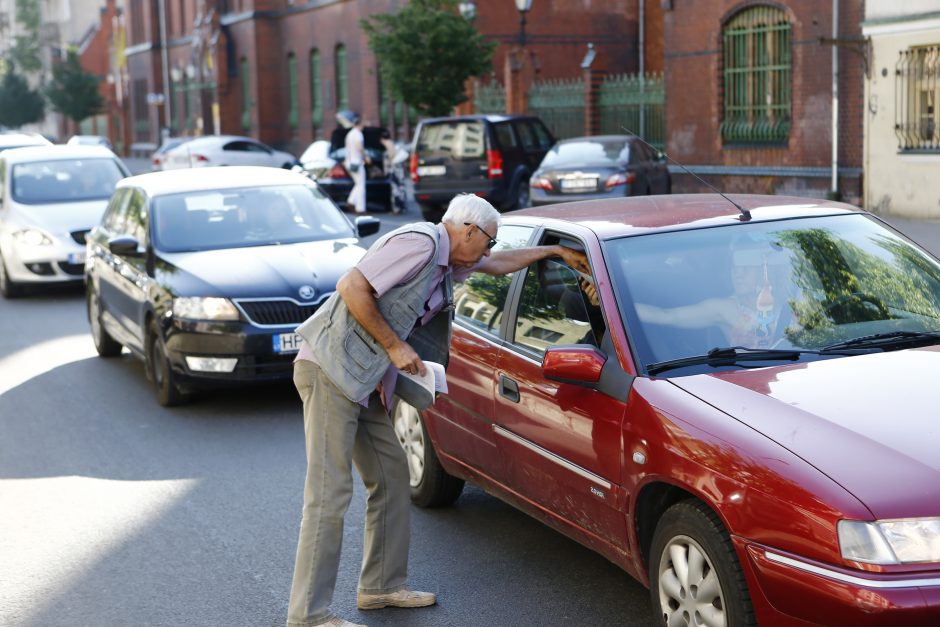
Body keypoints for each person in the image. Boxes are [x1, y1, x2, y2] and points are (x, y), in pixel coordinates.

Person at [286, 193, 589, 627]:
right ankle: (307, 616)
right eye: (487, 242)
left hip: (362, 381)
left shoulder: (451, 259)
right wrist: (395, 346)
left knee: (391, 477)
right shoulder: (421, 243)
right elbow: (351, 286)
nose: (488, 251)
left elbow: (499, 264)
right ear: (468, 230)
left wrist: (555, 250)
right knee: (329, 495)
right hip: (330, 370)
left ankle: (380, 587)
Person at [634, 236, 791, 349]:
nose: (738, 274)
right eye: (734, 268)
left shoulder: (789, 301)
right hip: (749, 384)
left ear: (762, 271)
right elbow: (666, 316)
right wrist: (614, 307)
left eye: (745, 268)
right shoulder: (725, 309)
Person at [344, 113, 367, 214]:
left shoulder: (349, 134)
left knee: (358, 184)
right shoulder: (358, 134)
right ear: (360, 124)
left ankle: (351, 201)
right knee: (361, 185)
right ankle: (360, 208)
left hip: (349, 162)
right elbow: (359, 146)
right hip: (357, 162)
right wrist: (366, 157)